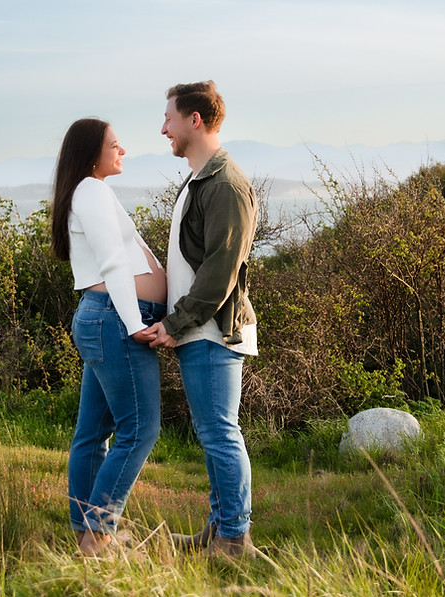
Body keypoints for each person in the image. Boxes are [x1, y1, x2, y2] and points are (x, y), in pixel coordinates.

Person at [139, 81, 260, 558]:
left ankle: (234, 538)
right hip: (199, 330)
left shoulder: (226, 183)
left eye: (169, 116)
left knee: (219, 433)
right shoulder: (201, 178)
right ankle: (219, 529)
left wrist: (175, 323)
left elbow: (220, 271)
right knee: (213, 433)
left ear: (195, 120)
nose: (162, 127)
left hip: (212, 331)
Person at [50, 118, 168, 557]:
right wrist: (135, 321)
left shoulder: (89, 190)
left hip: (104, 319)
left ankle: (86, 535)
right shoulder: (91, 190)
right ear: (91, 153)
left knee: (92, 433)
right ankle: (98, 537)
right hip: (116, 321)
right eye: (116, 146)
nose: (123, 152)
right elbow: (114, 261)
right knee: (140, 430)